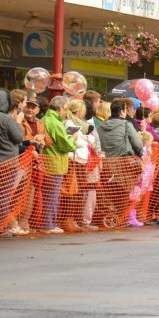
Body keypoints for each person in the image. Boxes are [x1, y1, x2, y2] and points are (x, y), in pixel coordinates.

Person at [41, 96, 78, 233]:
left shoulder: (45, 119)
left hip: (48, 161)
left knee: (49, 196)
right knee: (52, 197)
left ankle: (49, 223)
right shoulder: (54, 123)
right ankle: (48, 225)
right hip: (55, 163)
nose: (65, 112)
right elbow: (66, 145)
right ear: (60, 108)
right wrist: (73, 138)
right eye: (65, 109)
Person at [65, 98, 101, 231]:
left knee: (78, 193)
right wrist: (88, 140)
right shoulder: (69, 122)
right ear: (80, 111)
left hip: (81, 161)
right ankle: (70, 220)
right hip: (74, 161)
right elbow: (72, 141)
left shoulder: (78, 122)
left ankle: (74, 220)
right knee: (73, 193)